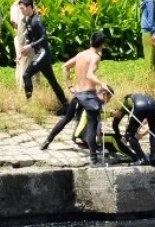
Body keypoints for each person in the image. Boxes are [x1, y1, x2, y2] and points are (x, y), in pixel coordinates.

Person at [40, 31, 112, 166]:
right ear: (102, 45)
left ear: (91, 41)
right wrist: (101, 84)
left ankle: (47, 141)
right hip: (88, 95)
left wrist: (69, 86)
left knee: (66, 118)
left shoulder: (81, 54)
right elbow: (90, 74)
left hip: (77, 94)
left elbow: (65, 66)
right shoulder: (95, 57)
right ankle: (93, 158)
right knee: (92, 124)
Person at [18, 0, 69, 108]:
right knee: (53, 81)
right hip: (39, 54)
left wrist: (30, 46)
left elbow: (43, 37)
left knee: (26, 75)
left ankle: (29, 104)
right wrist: (24, 49)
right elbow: (31, 38)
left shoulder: (37, 20)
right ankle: (66, 104)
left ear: (29, 7)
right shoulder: (28, 20)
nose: (21, 11)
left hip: (43, 54)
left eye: (22, 8)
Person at [111, 92, 155, 166]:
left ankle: (142, 158)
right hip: (154, 105)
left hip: (140, 106)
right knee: (153, 131)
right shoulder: (144, 96)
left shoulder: (127, 101)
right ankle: (152, 157)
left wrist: (117, 134)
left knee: (129, 135)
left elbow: (116, 121)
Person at [10, 0, 39, 87]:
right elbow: (18, 25)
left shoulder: (29, 4)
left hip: (30, 40)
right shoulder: (19, 6)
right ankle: (24, 89)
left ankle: (33, 87)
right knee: (23, 64)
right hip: (24, 39)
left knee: (30, 64)